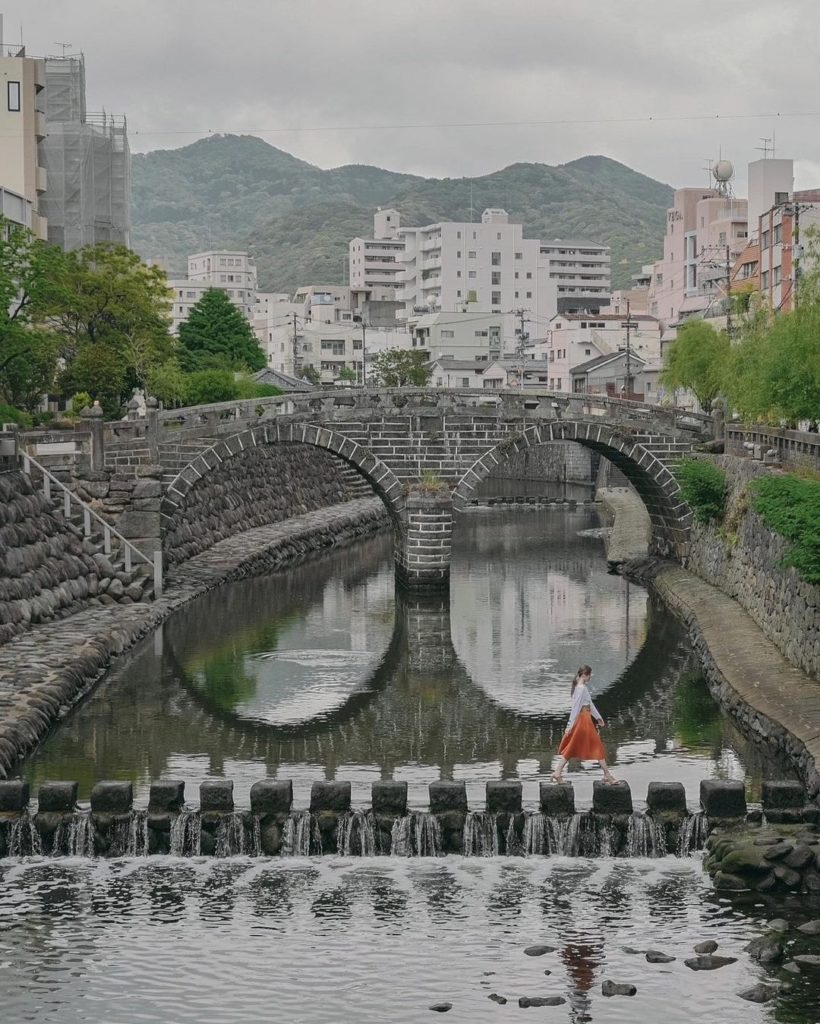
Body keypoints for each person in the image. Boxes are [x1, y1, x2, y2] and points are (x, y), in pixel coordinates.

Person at [551, 664, 617, 784]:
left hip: (585, 718)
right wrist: (569, 726)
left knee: (573, 747)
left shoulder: (581, 688)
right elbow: (576, 708)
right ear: (585, 675)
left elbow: (589, 704)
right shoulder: (581, 688)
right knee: (596, 746)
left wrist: (598, 717)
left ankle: (557, 772)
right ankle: (607, 774)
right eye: (589, 675)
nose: (590, 678)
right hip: (583, 720)